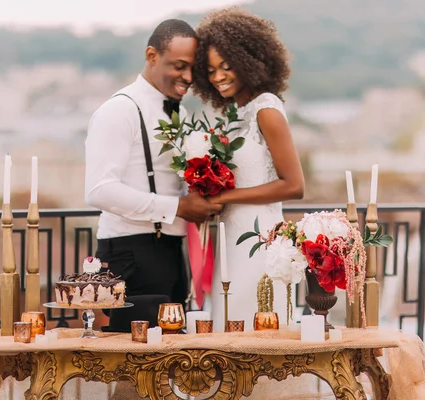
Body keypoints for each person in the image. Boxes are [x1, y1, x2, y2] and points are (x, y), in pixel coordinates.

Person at [85, 19, 223, 307]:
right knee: (135, 349)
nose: (188, 76)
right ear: (152, 56)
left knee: (174, 348)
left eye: (192, 68)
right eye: (179, 65)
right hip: (130, 253)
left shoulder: (181, 114)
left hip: (172, 250)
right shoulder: (119, 110)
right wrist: (179, 208)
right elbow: (99, 190)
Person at [192, 8, 305, 331]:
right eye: (211, 70)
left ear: (249, 60)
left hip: (261, 241)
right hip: (229, 239)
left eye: (226, 67)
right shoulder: (234, 113)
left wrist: (227, 195)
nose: (218, 77)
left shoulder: (266, 110)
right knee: (228, 324)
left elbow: (294, 185)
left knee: (256, 326)